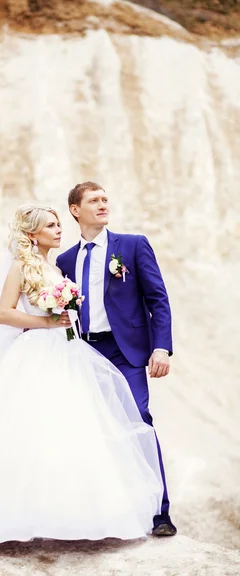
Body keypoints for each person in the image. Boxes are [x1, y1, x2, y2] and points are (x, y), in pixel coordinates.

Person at [0, 204, 163, 549]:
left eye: (58, 224)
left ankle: (71, 513)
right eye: (51, 226)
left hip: (67, 350)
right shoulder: (21, 267)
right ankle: (19, 515)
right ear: (32, 234)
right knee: (33, 427)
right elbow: (4, 313)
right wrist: (47, 322)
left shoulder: (53, 267)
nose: (58, 230)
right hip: (38, 350)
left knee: (72, 429)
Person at [56, 182, 176, 537]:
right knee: (92, 431)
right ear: (75, 210)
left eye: (106, 198)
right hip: (85, 353)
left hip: (127, 353)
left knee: (138, 420)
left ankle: (160, 514)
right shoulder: (65, 261)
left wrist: (161, 347)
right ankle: (106, 515)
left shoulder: (133, 245)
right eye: (94, 200)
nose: (103, 204)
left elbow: (158, 299)